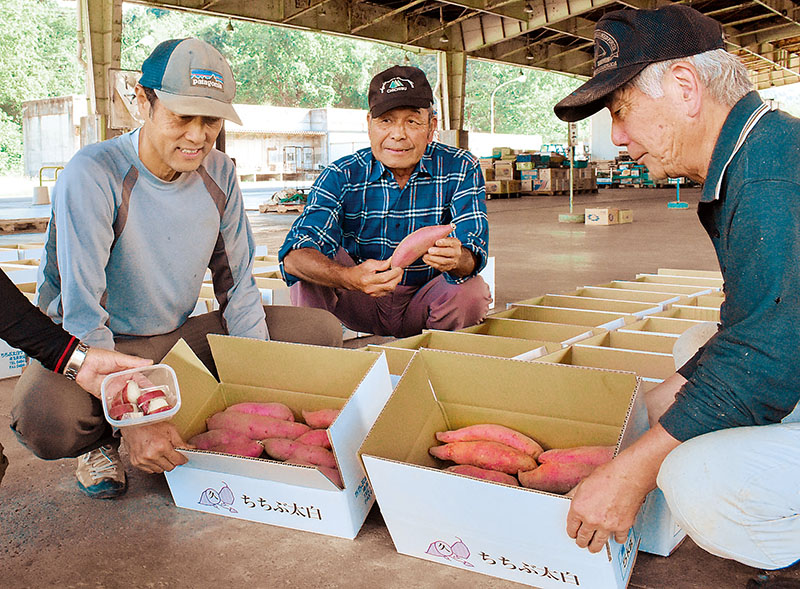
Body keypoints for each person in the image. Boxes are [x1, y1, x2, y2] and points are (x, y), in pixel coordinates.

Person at [11, 38, 342, 500]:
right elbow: (84, 312)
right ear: (144, 102)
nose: (197, 136)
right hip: (93, 346)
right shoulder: (94, 173)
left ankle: (191, 408)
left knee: (319, 332)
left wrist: (257, 381)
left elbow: (239, 285)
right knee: (48, 419)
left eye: (210, 120)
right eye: (181, 117)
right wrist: (132, 417)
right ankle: (102, 443)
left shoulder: (220, 173)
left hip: (173, 337)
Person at [553, 4, 800, 574]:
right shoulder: (759, 150)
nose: (616, 138)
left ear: (685, 88)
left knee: (696, 481)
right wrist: (678, 393)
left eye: (622, 111)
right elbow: (760, 327)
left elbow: (770, 356)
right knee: (694, 352)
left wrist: (633, 470)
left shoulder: (770, 178)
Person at [278, 65, 491, 339]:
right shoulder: (341, 174)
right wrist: (350, 277)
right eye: (386, 121)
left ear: (431, 127)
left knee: (471, 292)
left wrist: (457, 258)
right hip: (358, 299)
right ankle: (320, 359)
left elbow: (474, 249)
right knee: (311, 266)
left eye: (412, 122)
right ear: (369, 125)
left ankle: (439, 361)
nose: (398, 134)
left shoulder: (459, 167)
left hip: (425, 302)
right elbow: (294, 258)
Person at [0, 269, 151, 486]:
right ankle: (97, 444)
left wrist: (73, 357)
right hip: (83, 329)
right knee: (45, 412)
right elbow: (83, 311)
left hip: (133, 336)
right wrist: (128, 424)